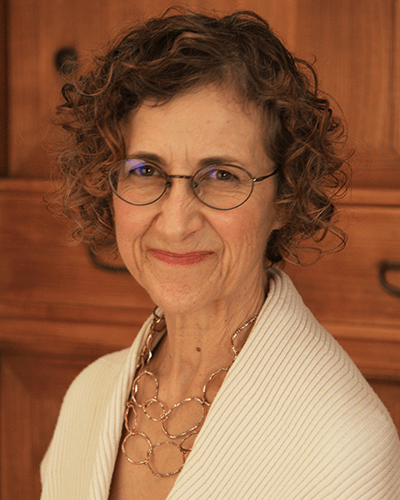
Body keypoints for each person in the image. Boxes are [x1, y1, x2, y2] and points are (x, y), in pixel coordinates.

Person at [41, 8, 400, 500]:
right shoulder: (88, 395)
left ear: (285, 196)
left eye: (222, 175)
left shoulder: (343, 449)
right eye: (145, 170)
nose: (176, 222)